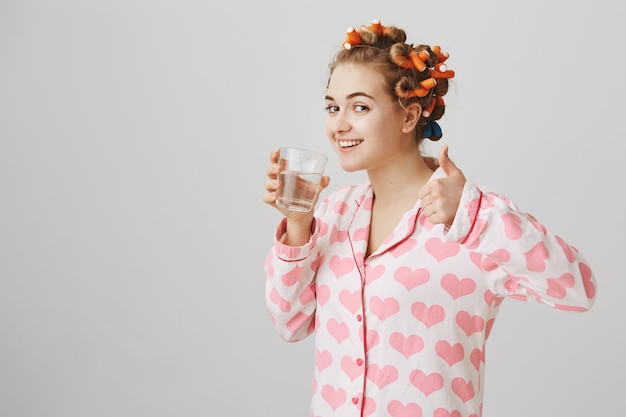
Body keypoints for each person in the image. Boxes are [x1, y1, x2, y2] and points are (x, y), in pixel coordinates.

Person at [262, 19, 596, 417]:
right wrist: (298, 224)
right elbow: (291, 323)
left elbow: (578, 289)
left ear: (409, 116)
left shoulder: (471, 220)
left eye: (360, 106)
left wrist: (475, 216)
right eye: (333, 107)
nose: (340, 124)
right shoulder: (334, 212)